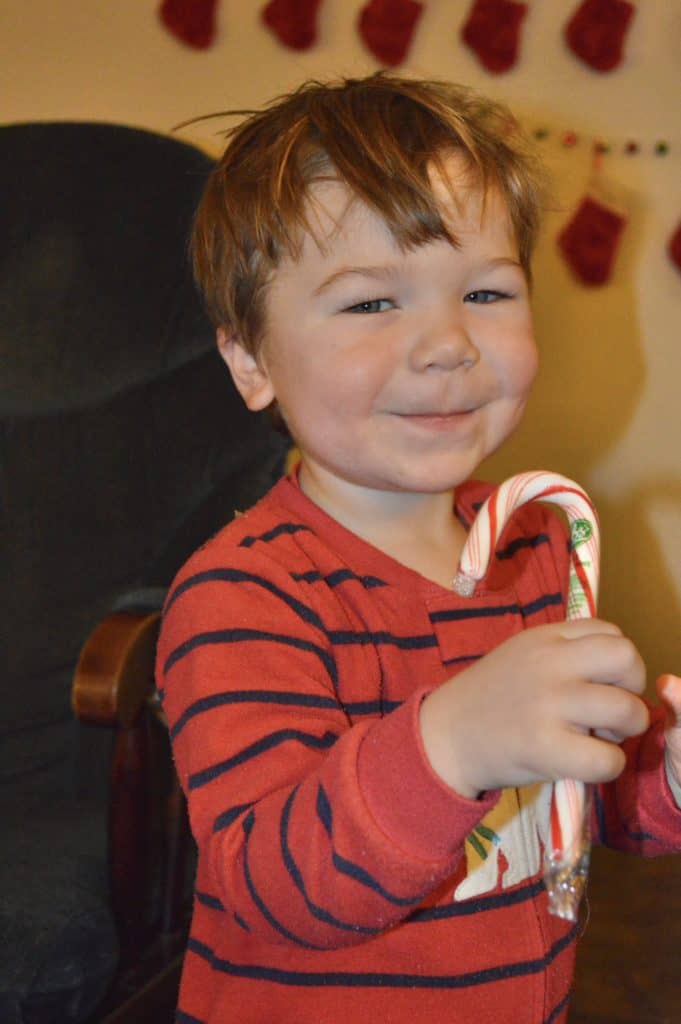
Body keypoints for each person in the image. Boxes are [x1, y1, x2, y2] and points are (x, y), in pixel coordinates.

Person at [156, 74, 681, 1023]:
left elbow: (582, 806)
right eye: (369, 305)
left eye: (484, 290)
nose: (447, 344)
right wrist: (453, 742)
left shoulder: (537, 548)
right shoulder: (240, 596)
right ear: (249, 360)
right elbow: (277, 886)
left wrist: (664, 774)